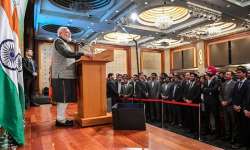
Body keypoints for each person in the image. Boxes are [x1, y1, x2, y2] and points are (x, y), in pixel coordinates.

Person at [51, 26, 92, 127]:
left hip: (66, 75)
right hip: (62, 75)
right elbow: (67, 53)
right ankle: (60, 120)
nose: (69, 34)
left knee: (65, 98)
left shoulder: (64, 43)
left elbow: (71, 55)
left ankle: (61, 118)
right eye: (66, 32)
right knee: (63, 98)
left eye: (69, 32)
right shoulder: (58, 41)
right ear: (59, 33)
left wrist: (81, 55)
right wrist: (83, 53)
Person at [231, 66, 249, 149]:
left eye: (239, 72)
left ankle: (245, 144)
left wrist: (241, 107)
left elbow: (247, 97)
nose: (237, 74)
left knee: (245, 127)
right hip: (236, 108)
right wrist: (234, 105)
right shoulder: (237, 83)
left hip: (244, 109)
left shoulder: (248, 83)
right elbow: (234, 95)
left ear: (244, 73)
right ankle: (239, 142)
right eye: (237, 72)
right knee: (238, 126)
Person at [202, 66, 221, 139]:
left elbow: (215, 90)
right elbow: (202, 89)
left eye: (209, 71)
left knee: (216, 118)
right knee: (207, 117)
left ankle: (217, 133)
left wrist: (207, 90)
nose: (207, 72)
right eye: (208, 71)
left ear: (213, 72)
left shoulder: (217, 80)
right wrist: (208, 90)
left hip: (214, 102)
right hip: (206, 102)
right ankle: (208, 130)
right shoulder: (206, 80)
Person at [219, 71, 236, 141]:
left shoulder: (235, 84)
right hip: (224, 106)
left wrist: (227, 102)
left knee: (233, 122)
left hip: (231, 106)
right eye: (226, 74)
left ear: (231, 76)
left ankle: (234, 137)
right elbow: (220, 94)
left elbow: (235, 96)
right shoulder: (223, 84)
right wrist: (222, 101)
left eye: (228, 74)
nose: (226, 75)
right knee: (226, 122)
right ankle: (227, 136)